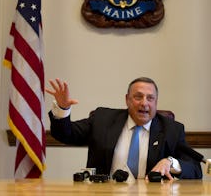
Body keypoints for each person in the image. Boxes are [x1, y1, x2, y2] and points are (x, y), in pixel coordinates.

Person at [46, 77, 202, 181]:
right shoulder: (103, 119)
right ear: (127, 99)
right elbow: (66, 134)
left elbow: (195, 169)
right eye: (138, 97)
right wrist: (62, 108)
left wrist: (171, 162)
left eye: (150, 98)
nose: (144, 103)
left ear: (156, 102)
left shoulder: (171, 129)